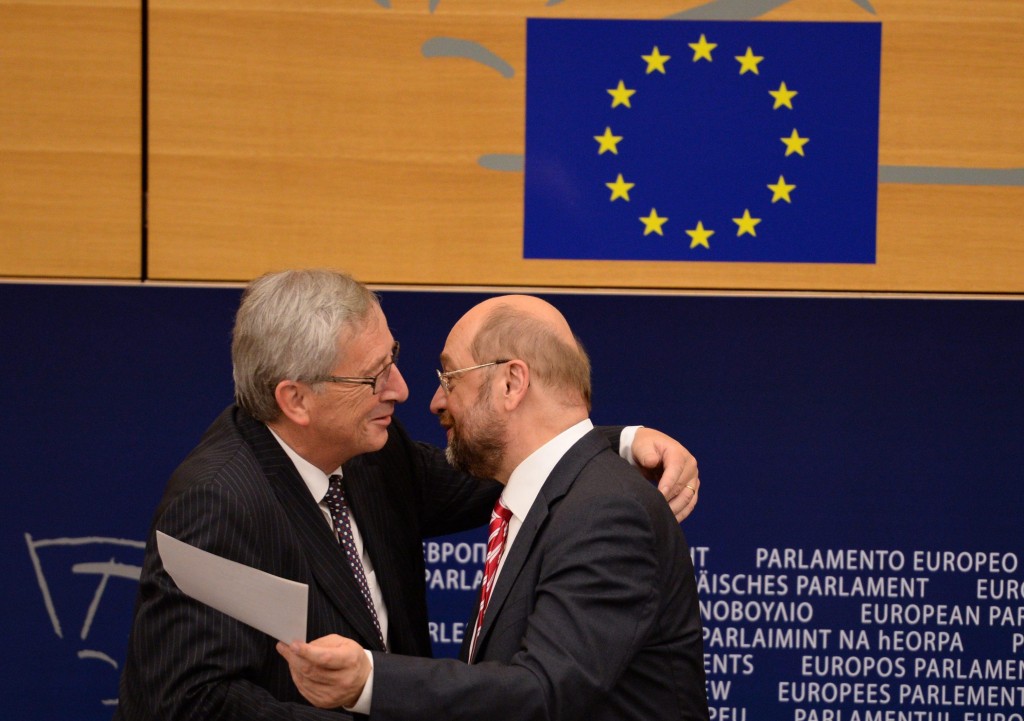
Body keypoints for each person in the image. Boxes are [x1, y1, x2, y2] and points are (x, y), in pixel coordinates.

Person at [114, 270, 700, 720]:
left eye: (392, 360)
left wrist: (614, 443)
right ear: (296, 400)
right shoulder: (217, 501)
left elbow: (507, 458)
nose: (402, 389)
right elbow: (187, 701)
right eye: (373, 376)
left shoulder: (372, 451)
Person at [279, 294, 709, 721]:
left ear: (511, 383)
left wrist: (370, 680)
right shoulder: (552, 498)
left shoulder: (605, 512)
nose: (435, 401)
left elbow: (543, 691)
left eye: (449, 378)